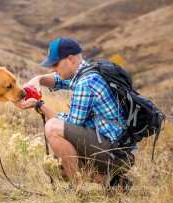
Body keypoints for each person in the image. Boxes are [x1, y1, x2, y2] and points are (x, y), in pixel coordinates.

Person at [15, 37, 134, 188]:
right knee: (53, 166)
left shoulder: (86, 82)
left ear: (70, 59)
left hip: (114, 153)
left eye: (55, 64)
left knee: (52, 127)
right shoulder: (88, 70)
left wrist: (39, 106)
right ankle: (112, 183)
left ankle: (77, 189)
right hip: (115, 149)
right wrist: (39, 79)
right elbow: (59, 80)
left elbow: (70, 124)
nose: (52, 69)